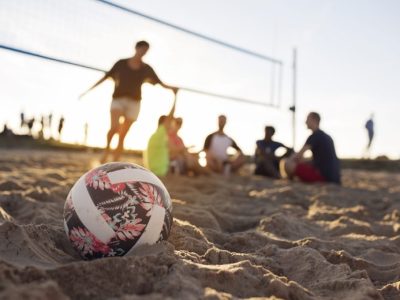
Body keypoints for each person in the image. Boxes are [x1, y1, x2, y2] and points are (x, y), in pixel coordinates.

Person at [80, 40, 178, 162]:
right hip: (118, 99)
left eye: (146, 51)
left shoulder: (146, 68)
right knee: (114, 127)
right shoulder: (121, 63)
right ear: (136, 48)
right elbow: (106, 77)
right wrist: (88, 90)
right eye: (142, 49)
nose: (143, 52)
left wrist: (172, 89)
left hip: (135, 103)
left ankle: (115, 160)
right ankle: (107, 150)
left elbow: (160, 83)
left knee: (122, 135)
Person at [282, 112, 341, 184]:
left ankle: (290, 181)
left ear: (314, 120)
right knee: (303, 163)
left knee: (287, 163)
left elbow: (298, 155)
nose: (305, 122)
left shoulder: (315, 136)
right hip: (334, 178)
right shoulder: (326, 136)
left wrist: (289, 161)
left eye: (307, 119)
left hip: (324, 178)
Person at [144, 96, 177, 177]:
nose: (171, 125)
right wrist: (176, 96)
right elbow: (171, 115)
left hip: (156, 171)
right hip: (158, 172)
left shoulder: (159, 136)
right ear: (164, 123)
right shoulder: (161, 132)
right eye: (170, 122)